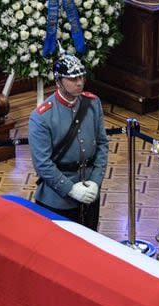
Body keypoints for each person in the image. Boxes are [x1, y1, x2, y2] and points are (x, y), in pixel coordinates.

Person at [28, 54, 109, 231]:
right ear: (58, 82)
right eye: (73, 78)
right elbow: (43, 164)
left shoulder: (93, 103)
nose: (79, 82)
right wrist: (70, 189)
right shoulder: (41, 116)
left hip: (89, 193)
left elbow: (102, 144)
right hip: (57, 199)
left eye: (81, 77)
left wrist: (95, 181)